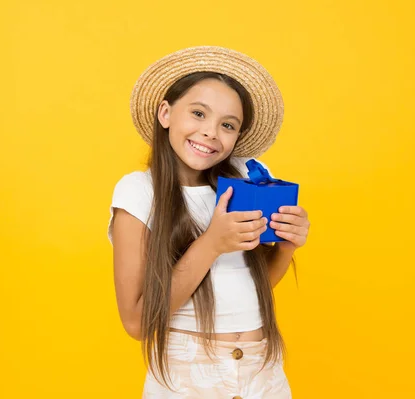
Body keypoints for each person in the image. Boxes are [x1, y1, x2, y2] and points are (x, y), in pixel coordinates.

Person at [107, 46, 310, 398]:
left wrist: (289, 244)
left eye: (227, 125)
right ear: (166, 113)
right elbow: (137, 322)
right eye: (198, 113)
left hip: (263, 374)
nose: (211, 132)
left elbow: (254, 286)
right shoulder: (139, 192)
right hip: (188, 376)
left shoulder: (246, 181)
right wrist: (212, 243)